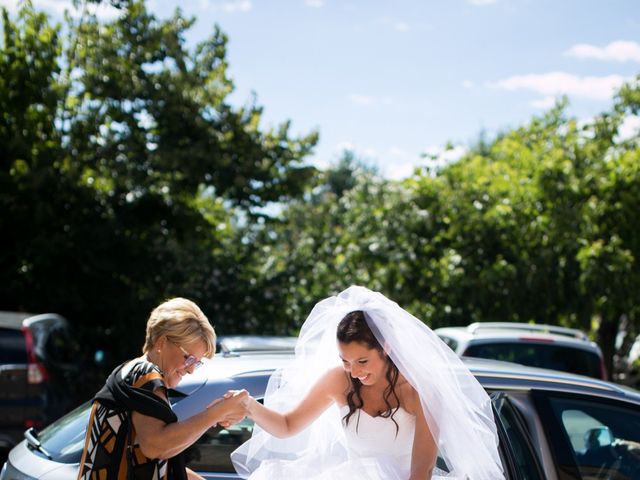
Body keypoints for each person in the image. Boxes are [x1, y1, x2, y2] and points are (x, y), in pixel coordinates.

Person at [231, 286, 505, 480]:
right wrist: (247, 405)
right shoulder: (339, 381)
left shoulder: (418, 392)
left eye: (362, 361)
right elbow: (288, 425)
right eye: (345, 361)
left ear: (385, 347)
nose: (354, 372)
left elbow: (422, 471)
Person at [78, 297, 247, 480]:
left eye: (197, 363)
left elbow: (155, 462)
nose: (190, 370)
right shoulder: (146, 374)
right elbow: (156, 447)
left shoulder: (132, 371)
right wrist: (217, 413)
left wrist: (218, 415)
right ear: (161, 343)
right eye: (189, 359)